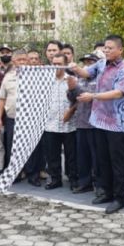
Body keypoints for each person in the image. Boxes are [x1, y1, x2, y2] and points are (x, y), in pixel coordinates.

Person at [70, 35, 124, 213]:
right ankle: (105, 192)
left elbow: (118, 93)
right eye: (105, 48)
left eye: (110, 48)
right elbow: (86, 73)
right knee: (102, 160)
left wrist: (92, 96)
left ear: (121, 50)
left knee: (117, 162)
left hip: (116, 123)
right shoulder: (101, 64)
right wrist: (75, 67)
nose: (106, 50)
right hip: (98, 121)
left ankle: (120, 198)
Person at [0, 49, 41, 186]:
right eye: (19, 60)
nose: (22, 62)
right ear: (14, 61)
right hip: (12, 118)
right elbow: (2, 99)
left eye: (24, 59)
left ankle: (33, 175)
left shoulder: (37, 76)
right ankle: (14, 174)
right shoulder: (8, 77)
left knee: (32, 148)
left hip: (30, 118)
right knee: (12, 147)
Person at [42, 52, 77, 190]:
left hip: (69, 125)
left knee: (71, 155)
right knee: (52, 156)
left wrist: (71, 110)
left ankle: (74, 180)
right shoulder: (45, 81)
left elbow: (78, 100)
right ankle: (55, 179)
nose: (56, 66)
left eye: (59, 64)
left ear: (66, 64)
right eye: (54, 63)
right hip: (50, 124)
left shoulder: (72, 80)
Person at [69, 53, 98, 194]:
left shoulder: (99, 78)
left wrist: (77, 88)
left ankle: (99, 185)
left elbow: (91, 96)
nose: (87, 65)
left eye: (91, 62)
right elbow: (73, 99)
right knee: (82, 156)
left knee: (97, 157)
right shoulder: (78, 78)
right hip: (81, 122)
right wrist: (71, 89)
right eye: (85, 62)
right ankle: (85, 183)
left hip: (95, 123)